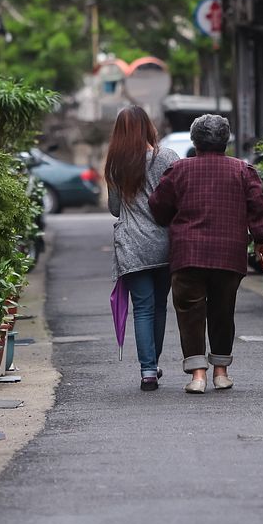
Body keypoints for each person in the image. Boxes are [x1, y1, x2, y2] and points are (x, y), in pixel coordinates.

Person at [148, 114, 263, 394]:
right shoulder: (242, 171)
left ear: (195, 141)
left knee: (190, 312)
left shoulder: (178, 170)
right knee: (222, 310)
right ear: (226, 141)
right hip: (228, 254)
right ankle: (221, 372)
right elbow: (259, 208)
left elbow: (158, 207)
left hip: (188, 253)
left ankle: (197, 376)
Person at [105, 106, 180, 391]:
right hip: (164, 243)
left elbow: (114, 209)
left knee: (143, 309)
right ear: (148, 126)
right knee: (159, 306)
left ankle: (148, 370)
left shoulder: (115, 165)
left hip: (132, 246)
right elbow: (177, 200)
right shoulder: (167, 158)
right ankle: (153, 363)